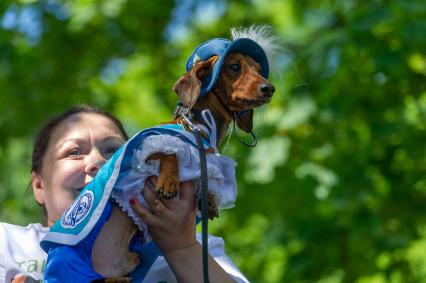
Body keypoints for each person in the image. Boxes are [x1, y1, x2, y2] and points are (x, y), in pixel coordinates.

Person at [0, 105, 248, 283]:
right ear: (39, 186)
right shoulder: (7, 243)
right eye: (74, 152)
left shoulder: (199, 245)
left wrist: (180, 248)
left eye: (114, 151)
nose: (99, 162)